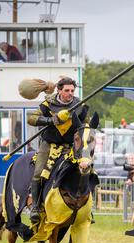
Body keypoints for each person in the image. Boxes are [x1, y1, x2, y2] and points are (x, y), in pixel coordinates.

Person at [27, 77, 88, 223]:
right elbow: (31, 119)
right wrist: (50, 120)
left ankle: (86, 208)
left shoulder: (80, 105)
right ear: (59, 90)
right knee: (38, 171)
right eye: (67, 90)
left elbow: (86, 125)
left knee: (86, 170)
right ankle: (35, 206)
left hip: (70, 147)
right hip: (49, 145)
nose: (70, 93)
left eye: (72, 90)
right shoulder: (48, 104)